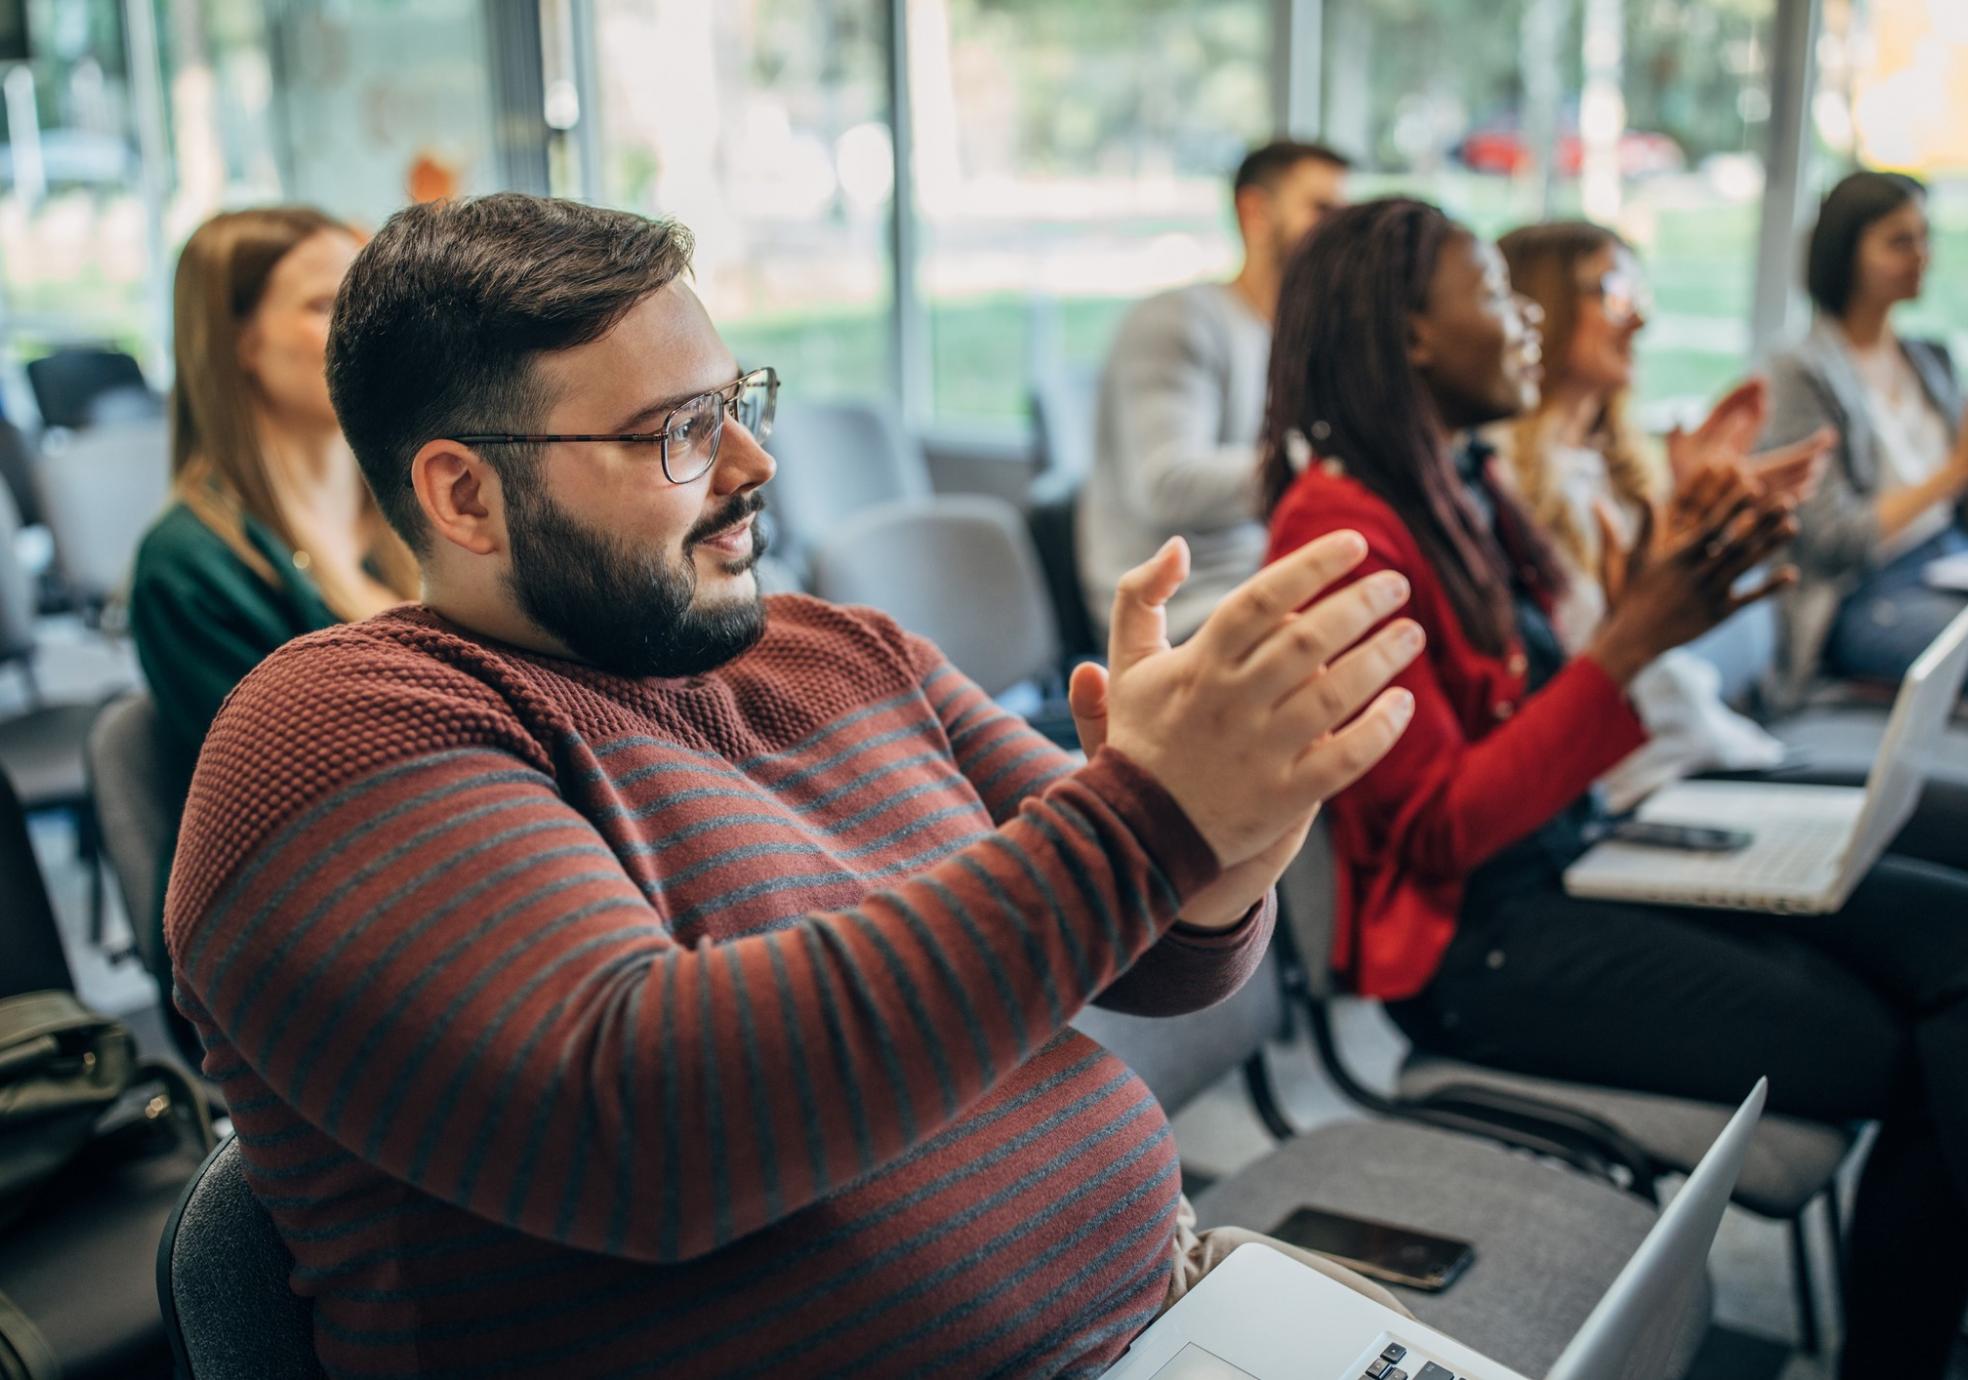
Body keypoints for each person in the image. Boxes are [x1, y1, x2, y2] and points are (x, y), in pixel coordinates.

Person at [164, 193, 1428, 1377]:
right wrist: (1153, 819)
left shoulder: (833, 647)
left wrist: (1234, 834)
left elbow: (1154, 954)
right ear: (465, 494)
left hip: (1175, 1302)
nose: (753, 466)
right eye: (679, 431)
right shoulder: (338, 730)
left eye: (737, 402)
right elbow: (653, 1130)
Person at [1259, 196, 1968, 1380]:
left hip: (1590, 853)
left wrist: (1673, 570)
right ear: (1407, 335)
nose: (1524, 328)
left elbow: (1574, 709)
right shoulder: (1336, 531)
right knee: (1936, 1043)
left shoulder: (1459, 482)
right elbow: (1440, 829)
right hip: (1481, 950)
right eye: (1494, 299)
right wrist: (1629, 644)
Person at [128, 207, 418, 1035]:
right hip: (290, 941)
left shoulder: (411, 516)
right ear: (239, 344)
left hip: (419, 873)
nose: (372, 327)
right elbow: (313, 817)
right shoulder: (190, 564)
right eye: (329, 305)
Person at [1490, 220, 1834, 809]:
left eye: (1638, 295)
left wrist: (1704, 511)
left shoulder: (1614, 464)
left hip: (1694, 744)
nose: (1640, 319)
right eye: (1615, 293)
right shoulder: (1497, 478)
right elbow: (1577, 657)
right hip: (1633, 782)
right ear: (1543, 305)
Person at [1079, 139, 1351, 644]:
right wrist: (1323, 462)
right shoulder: (1181, 321)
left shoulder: (1286, 337)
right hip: (1175, 612)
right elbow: (1168, 483)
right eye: (1322, 209)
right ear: (1256, 213)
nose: (1340, 230)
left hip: (1251, 578)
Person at [1763, 170, 1968, 706]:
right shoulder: (1802, 371)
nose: (1922, 256)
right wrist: (1959, 467)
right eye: (1899, 241)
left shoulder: (1929, 360)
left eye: (1924, 237)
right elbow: (1831, 541)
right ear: (1846, 252)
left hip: (1957, 559)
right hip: (1868, 594)